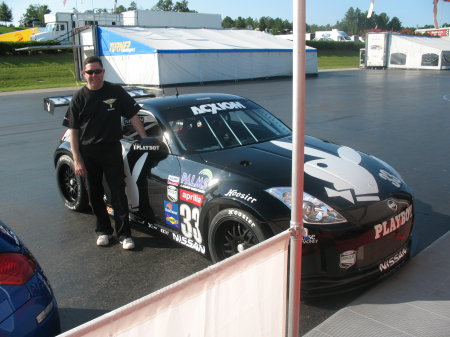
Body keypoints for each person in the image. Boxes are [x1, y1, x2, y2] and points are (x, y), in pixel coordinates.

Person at [63, 56, 147, 249]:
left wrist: (145, 139)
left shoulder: (115, 91)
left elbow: (133, 115)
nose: (94, 75)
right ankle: (103, 231)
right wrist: (77, 159)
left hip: (111, 150)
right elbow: (73, 132)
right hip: (88, 152)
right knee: (94, 195)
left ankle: (124, 235)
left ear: (103, 72)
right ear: (84, 74)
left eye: (97, 71)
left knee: (118, 193)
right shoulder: (79, 97)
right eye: (90, 72)